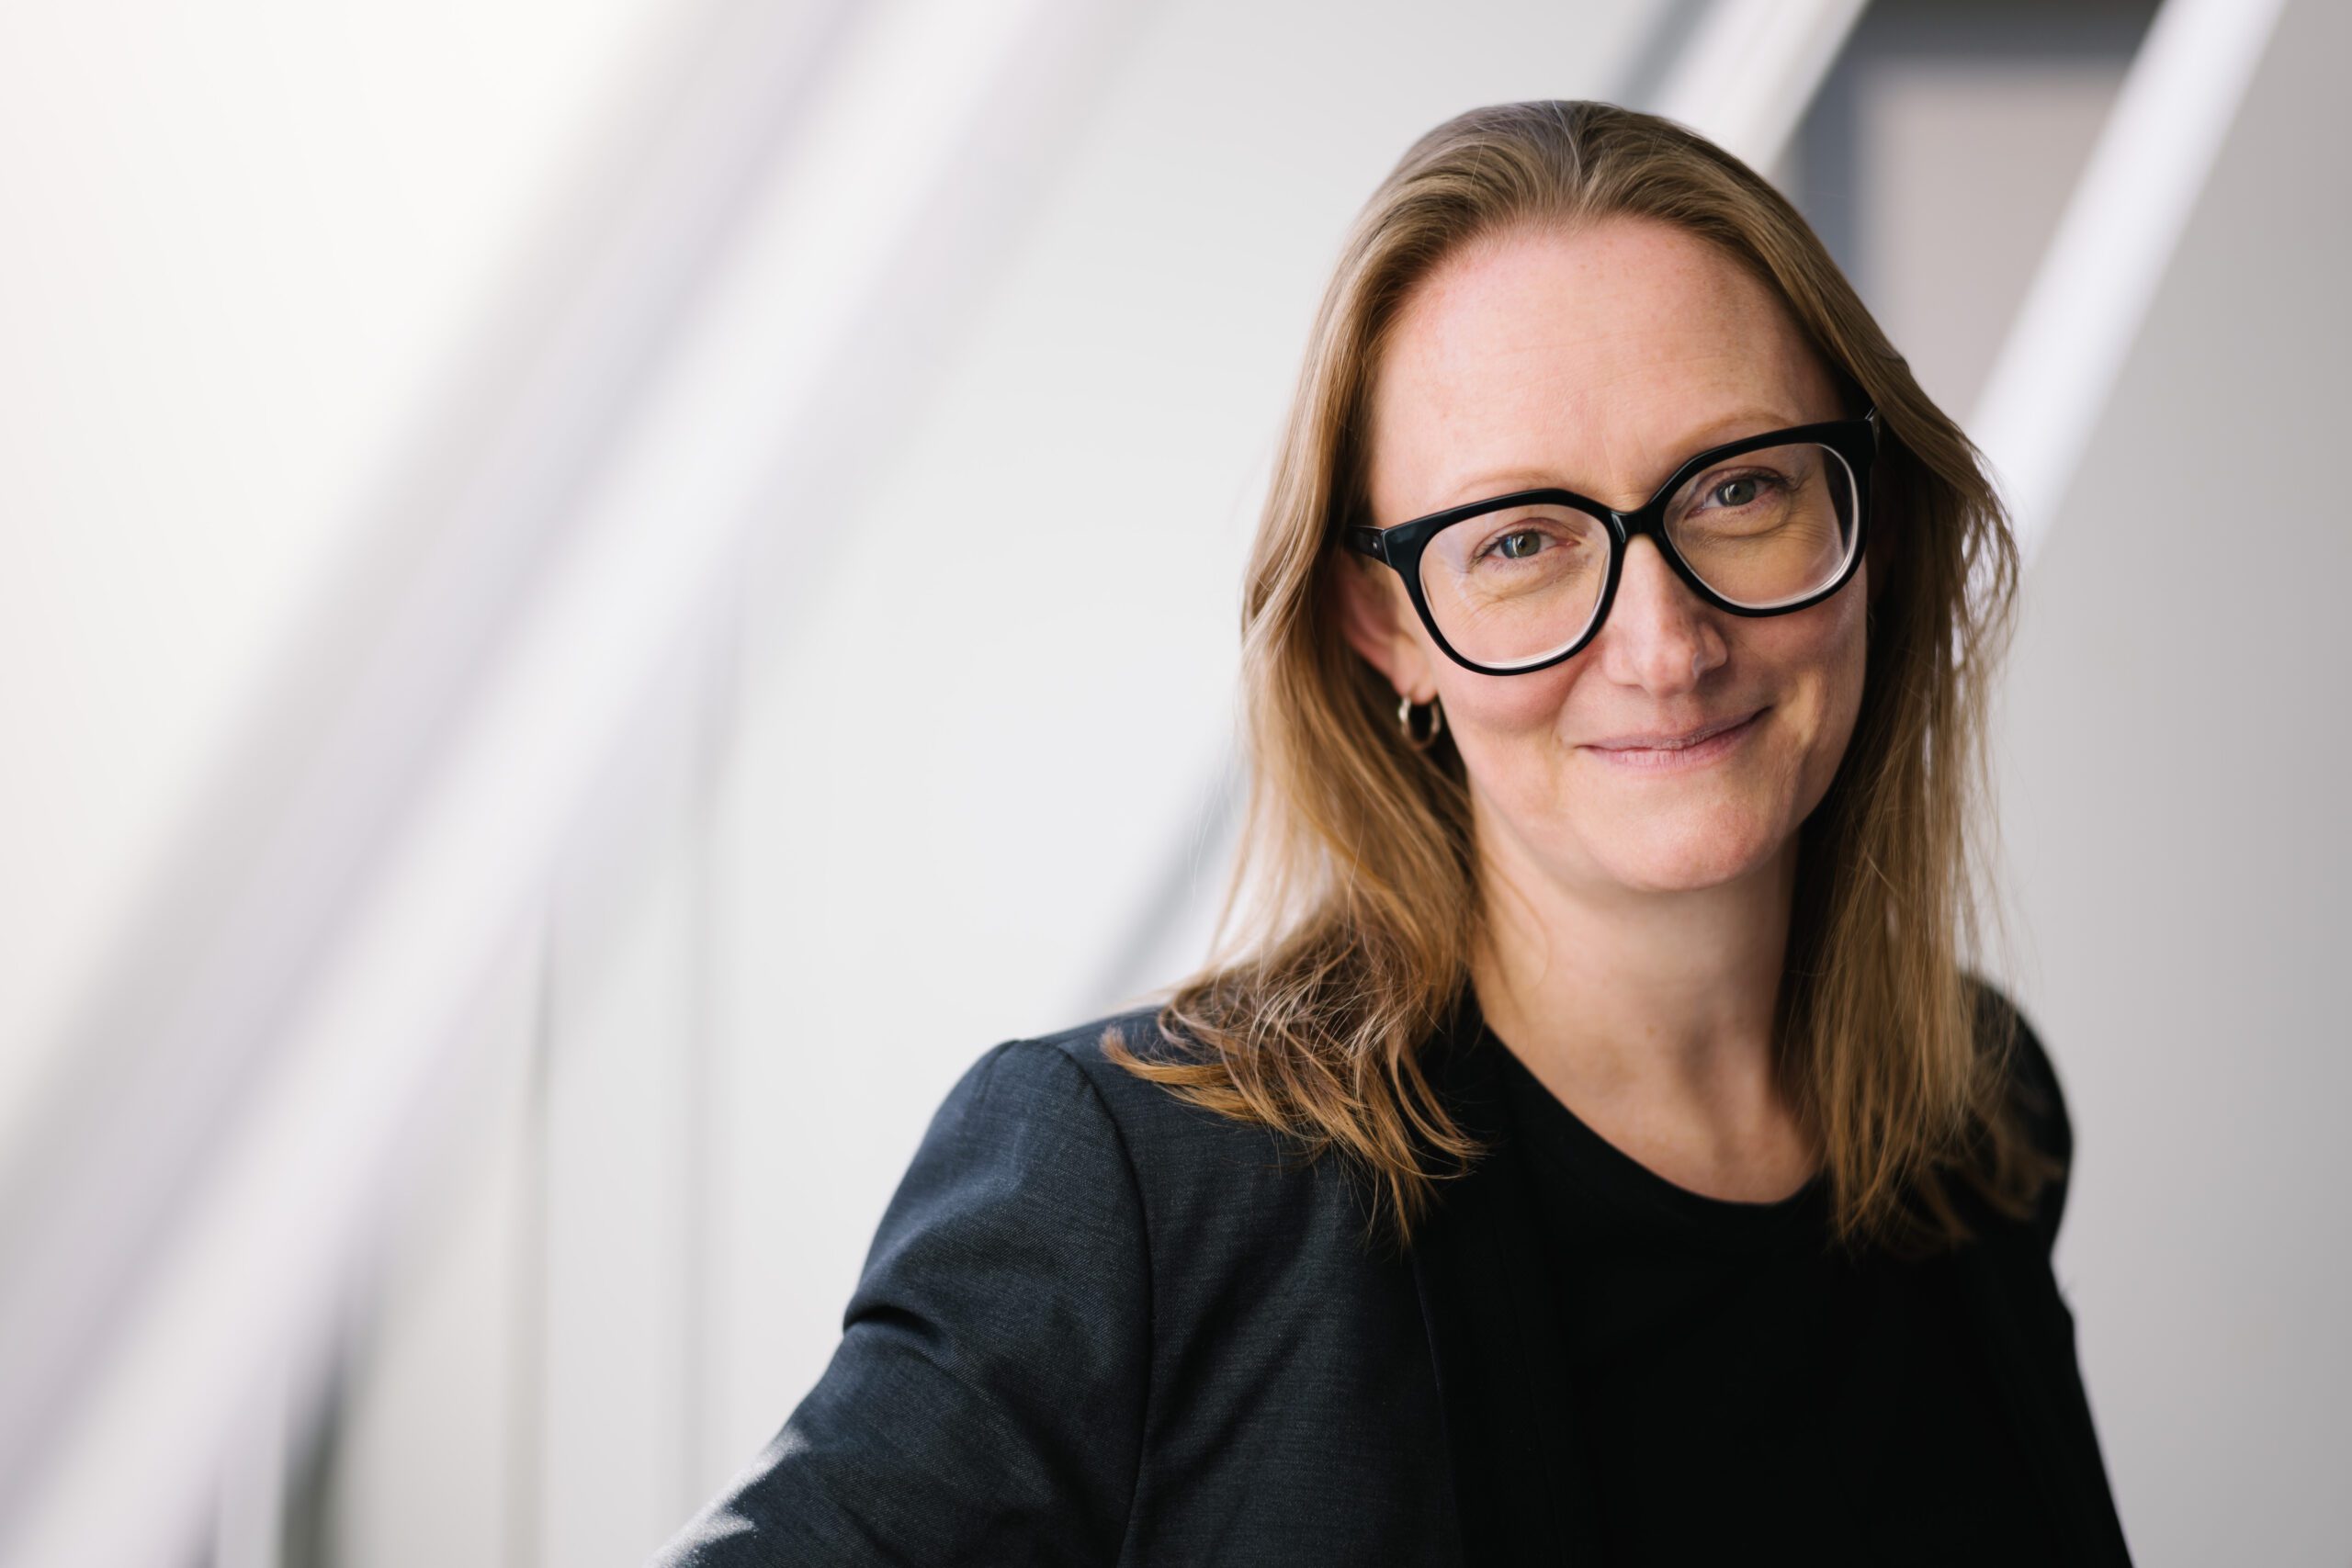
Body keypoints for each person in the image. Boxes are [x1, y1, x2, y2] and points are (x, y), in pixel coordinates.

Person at [649, 98, 2132, 1565]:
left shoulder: (1972, 1111)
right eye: (1520, 543)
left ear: (1863, 506)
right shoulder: (1137, 1189)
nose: (1664, 642)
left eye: (1740, 488)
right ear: (1385, 623)